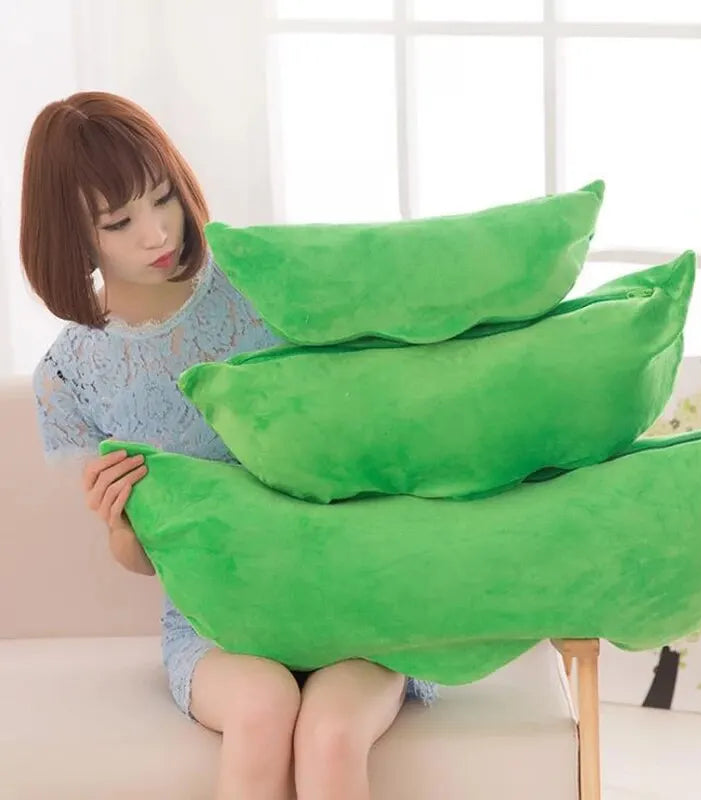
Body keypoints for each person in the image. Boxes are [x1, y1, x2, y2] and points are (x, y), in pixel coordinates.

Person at [21, 91, 437, 800]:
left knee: (332, 734)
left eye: (162, 198)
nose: (157, 233)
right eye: (119, 222)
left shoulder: (261, 286)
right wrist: (120, 525)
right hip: (215, 623)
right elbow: (142, 559)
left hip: (349, 594)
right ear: (73, 236)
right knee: (263, 708)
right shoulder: (69, 375)